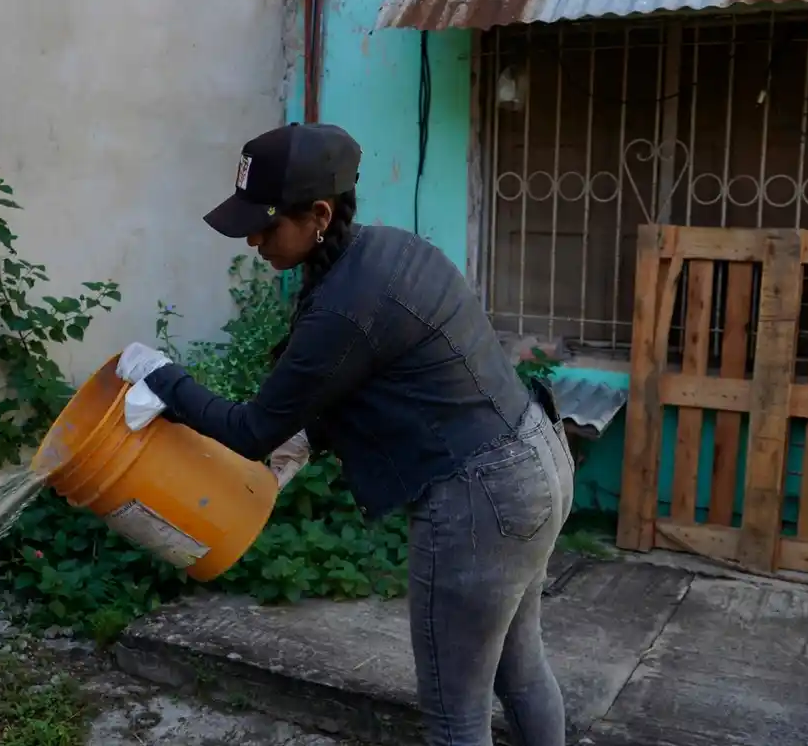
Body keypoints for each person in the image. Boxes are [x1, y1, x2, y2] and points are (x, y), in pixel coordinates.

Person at [115, 122, 574, 746]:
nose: (252, 240)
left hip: (480, 501)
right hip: (535, 458)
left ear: (320, 215)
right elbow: (382, 378)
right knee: (520, 672)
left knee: (455, 716)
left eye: (266, 224)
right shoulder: (385, 253)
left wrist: (161, 374)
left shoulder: (344, 306)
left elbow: (250, 431)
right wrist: (308, 436)